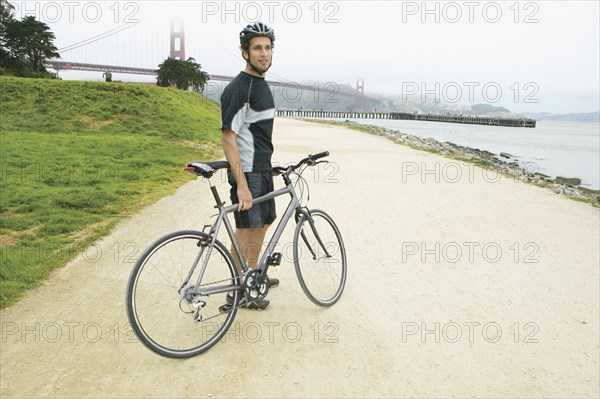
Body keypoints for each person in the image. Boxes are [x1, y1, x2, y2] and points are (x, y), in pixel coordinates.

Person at [220, 22, 278, 310]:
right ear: (245, 52)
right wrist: (241, 183)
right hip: (249, 173)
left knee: (264, 223)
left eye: (267, 48)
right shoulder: (238, 89)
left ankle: (251, 276)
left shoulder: (261, 84)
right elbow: (228, 137)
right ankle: (237, 291)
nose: (264, 53)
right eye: (257, 48)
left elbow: (255, 131)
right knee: (245, 231)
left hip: (263, 168)